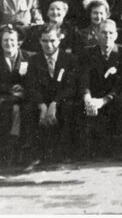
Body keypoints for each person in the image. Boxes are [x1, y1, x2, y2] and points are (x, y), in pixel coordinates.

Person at [25, 24, 79, 165]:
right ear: (39, 41)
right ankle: (35, 155)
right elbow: (32, 86)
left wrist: (55, 103)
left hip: (61, 100)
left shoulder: (70, 59)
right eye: (44, 41)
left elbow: (71, 86)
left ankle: (64, 154)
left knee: (68, 108)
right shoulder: (33, 60)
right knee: (29, 110)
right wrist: (42, 106)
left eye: (52, 41)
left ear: (59, 40)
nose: (48, 45)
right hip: (42, 100)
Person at [80, 19, 122, 159]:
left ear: (116, 35)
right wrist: (87, 97)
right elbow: (84, 78)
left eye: (111, 33)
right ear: (97, 34)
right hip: (94, 96)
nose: (107, 36)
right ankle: (90, 152)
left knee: (120, 103)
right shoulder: (88, 52)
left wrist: (104, 101)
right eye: (103, 32)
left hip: (114, 96)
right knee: (82, 107)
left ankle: (118, 151)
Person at [0, 26, 31, 167]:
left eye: (12, 40)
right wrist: (9, 90)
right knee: (7, 111)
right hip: (3, 99)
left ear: (19, 42)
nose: (9, 43)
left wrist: (24, 88)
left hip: (26, 99)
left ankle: (22, 151)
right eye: (5, 40)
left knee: (22, 110)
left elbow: (35, 80)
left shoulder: (29, 58)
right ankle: (7, 151)